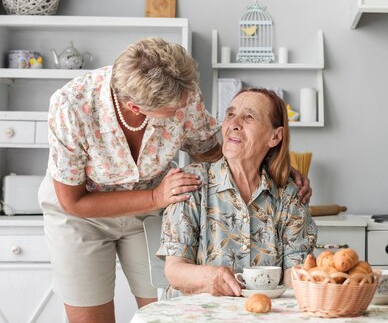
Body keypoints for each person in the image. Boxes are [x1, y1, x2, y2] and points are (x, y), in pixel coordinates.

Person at [38, 38, 312, 323]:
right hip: (83, 213)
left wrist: (274, 166)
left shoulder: (183, 91)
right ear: (136, 108)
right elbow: (73, 200)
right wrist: (156, 197)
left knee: (160, 307)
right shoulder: (71, 105)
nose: (186, 106)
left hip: (149, 209)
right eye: (174, 110)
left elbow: (214, 150)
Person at [157, 88, 318, 298]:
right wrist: (209, 278)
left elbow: (294, 275)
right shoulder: (192, 183)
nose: (234, 123)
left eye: (249, 117)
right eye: (230, 114)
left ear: (275, 136)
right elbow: (174, 270)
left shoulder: (289, 195)